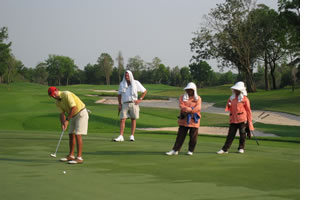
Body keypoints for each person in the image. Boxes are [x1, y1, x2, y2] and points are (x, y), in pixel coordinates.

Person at [48, 86, 89, 164]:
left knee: (77, 134)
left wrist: (67, 120)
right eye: (51, 96)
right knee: (71, 134)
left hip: (81, 113)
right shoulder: (57, 102)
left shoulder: (66, 94)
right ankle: (71, 155)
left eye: (53, 94)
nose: (53, 96)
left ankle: (79, 158)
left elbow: (74, 107)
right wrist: (63, 123)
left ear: (57, 90)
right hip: (73, 115)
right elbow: (62, 113)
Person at [217, 81, 254, 154]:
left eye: (237, 90)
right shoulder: (231, 98)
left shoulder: (245, 99)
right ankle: (225, 149)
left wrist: (249, 122)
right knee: (230, 135)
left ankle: (241, 148)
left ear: (241, 90)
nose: (236, 91)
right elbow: (228, 107)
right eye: (235, 89)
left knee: (242, 134)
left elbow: (248, 111)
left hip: (242, 119)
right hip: (233, 119)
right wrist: (229, 105)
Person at [166, 82, 201, 156]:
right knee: (180, 136)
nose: (188, 91)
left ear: (194, 90)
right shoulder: (182, 97)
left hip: (194, 120)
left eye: (190, 89)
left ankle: (190, 150)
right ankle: (175, 150)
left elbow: (198, 108)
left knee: (193, 137)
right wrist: (188, 109)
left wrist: (190, 110)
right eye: (187, 89)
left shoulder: (198, 98)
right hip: (184, 119)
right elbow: (181, 105)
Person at [114, 70, 147, 142]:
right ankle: (121, 136)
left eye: (127, 75)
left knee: (133, 119)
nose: (126, 77)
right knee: (122, 119)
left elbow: (144, 91)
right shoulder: (122, 84)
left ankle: (132, 135)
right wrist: (119, 104)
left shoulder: (136, 83)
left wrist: (140, 99)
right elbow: (119, 95)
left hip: (134, 103)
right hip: (125, 103)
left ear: (130, 76)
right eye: (125, 76)